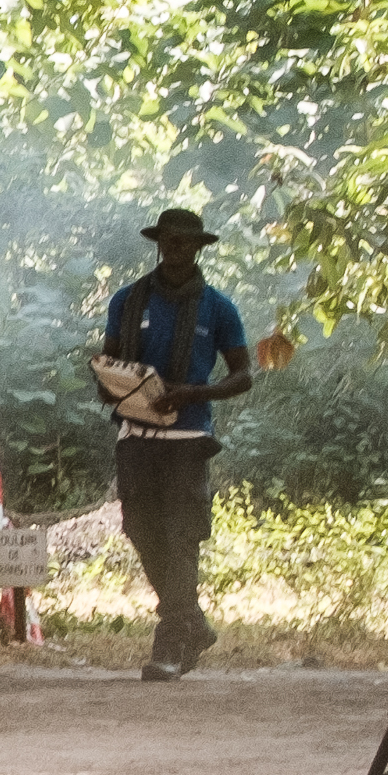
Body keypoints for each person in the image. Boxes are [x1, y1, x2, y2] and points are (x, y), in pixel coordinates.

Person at [99, 206, 253, 682]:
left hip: (188, 438)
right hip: (136, 435)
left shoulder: (218, 308)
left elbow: (243, 375)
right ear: (158, 243)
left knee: (181, 536)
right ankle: (193, 621)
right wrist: (114, 385)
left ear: (198, 247)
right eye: (167, 240)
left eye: (184, 242)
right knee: (141, 530)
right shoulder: (127, 302)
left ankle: (170, 641)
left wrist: (193, 393)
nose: (174, 249)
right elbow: (109, 364)